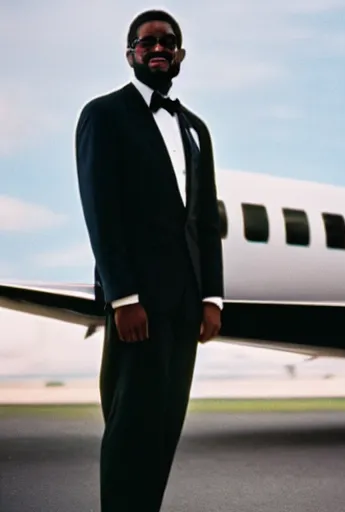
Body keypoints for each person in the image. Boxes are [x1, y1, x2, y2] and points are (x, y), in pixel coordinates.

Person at [75, 9, 224, 511]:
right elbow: (102, 212)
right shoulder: (103, 115)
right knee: (130, 430)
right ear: (130, 54)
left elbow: (205, 223)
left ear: (180, 54)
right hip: (137, 304)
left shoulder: (197, 129)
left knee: (164, 431)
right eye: (147, 42)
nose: (158, 49)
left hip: (185, 306)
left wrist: (211, 297)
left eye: (168, 42)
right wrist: (123, 297)